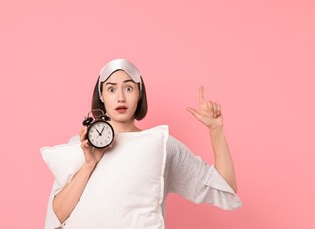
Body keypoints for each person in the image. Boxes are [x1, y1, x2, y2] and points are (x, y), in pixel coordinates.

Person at [44, 58, 242, 228]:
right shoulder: (82, 145)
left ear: (139, 93)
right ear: (102, 96)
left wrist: (216, 131)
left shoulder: (159, 146)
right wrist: (89, 164)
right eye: (111, 89)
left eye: (128, 88)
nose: (120, 97)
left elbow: (223, 187)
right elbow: (57, 216)